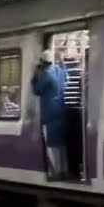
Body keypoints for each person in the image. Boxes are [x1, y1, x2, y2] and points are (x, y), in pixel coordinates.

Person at [31, 50, 69, 178]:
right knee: (62, 143)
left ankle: (55, 172)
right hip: (61, 110)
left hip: (49, 113)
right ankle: (65, 169)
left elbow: (37, 90)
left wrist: (35, 75)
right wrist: (62, 62)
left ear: (43, 63)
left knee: (52, 144)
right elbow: (67, 79)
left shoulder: (46, 75)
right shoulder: (60, 70)